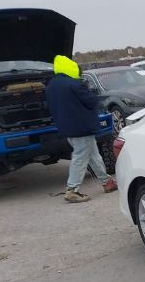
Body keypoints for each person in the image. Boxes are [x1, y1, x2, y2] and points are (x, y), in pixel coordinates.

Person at [45, 55, 117, 203]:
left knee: (93, 155)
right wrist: (89, 90)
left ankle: (106, 182)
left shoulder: (51, 85)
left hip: (67, 127)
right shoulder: (74, 84)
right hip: (81, 126)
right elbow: (91, 101)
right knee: (80, 156)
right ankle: (72, 189)